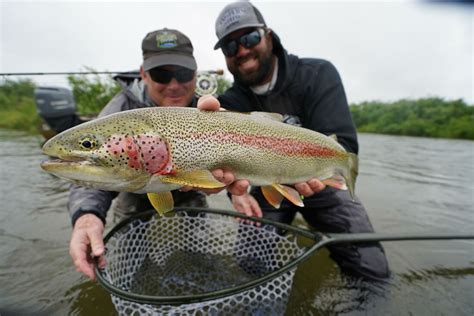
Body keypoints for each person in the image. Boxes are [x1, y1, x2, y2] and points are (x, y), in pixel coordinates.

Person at [212, 1, 390, 281]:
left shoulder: (317, 74)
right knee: (250, 265)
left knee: (371, 268)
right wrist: (237, 192)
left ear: (268, 35)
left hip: (320, 181)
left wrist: (333, 166)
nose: (242, 50)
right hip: (265, 185)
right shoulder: (228, 103)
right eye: (230, 46)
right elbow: (222, 162)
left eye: (249, 38)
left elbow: (344, 146)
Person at [67, 28, 245, 280]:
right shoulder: (119, 112)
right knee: (133, 264)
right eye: (162, 74)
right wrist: (86, 215)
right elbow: (91, 168)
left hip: (188, 189)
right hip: (133, 190)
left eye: (183, 74)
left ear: (195, 74)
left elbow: (233, 156)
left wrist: (235, 190)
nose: (174, 85)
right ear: (143, 74)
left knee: (196, 259)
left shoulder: (205, 108)